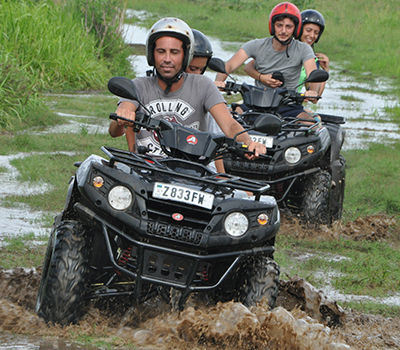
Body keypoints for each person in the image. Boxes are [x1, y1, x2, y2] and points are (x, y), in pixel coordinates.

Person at [108, 17, 266, 161]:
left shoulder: (204, 85)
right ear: (151, 54)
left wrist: (249, 142)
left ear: (185, 56)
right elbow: (115, 130)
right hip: (146, 170)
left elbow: (229, 125)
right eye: (161, 52)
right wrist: (122, 118)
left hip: (193, 170)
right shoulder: (138, 85)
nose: (167, 59)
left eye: (174, 52)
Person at [215, 2, 321, 123]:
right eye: (279, 25)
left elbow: (313, 74)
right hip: (255, 103)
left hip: (288, 106)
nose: (283, 31)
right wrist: (219, 82)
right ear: (272, 26)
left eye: (289, 26)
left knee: (310, 125)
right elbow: (229, 65)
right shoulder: (256, 45)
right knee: (227, 120)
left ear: (296, 28)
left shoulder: (303, 49)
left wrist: (312, 91)